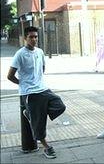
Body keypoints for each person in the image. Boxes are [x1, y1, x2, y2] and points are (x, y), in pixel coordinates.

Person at [7, 26, 66, 159]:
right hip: (30, 93)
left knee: (60, 105)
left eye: (36, 36)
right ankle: (47, 147)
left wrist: (37, 81)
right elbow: (10, 76)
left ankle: (31, 113)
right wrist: (23, 84)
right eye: (31, 37)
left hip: (43, 89)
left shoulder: (39, 52)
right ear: (25, 38)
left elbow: (42, 68)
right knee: (39, 124)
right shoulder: (20, 54)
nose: (34, 39)